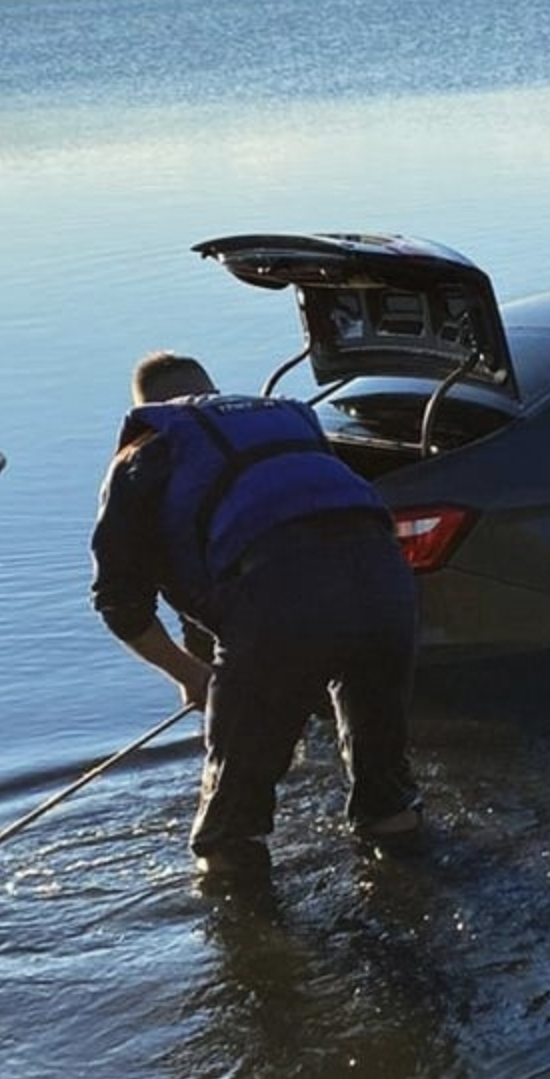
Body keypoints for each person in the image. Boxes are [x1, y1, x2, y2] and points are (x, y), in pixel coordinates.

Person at [89, 351, 422, 872]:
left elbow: (119, 601)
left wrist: (190, 674)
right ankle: (407, 885)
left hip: (279, 601)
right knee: (388, 795)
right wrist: (207, 669)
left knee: (228, 833)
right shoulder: (284, 424)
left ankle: (244, 930)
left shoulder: (147, 452)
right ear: (210, 390)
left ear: (147, 407)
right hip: (388, 586)